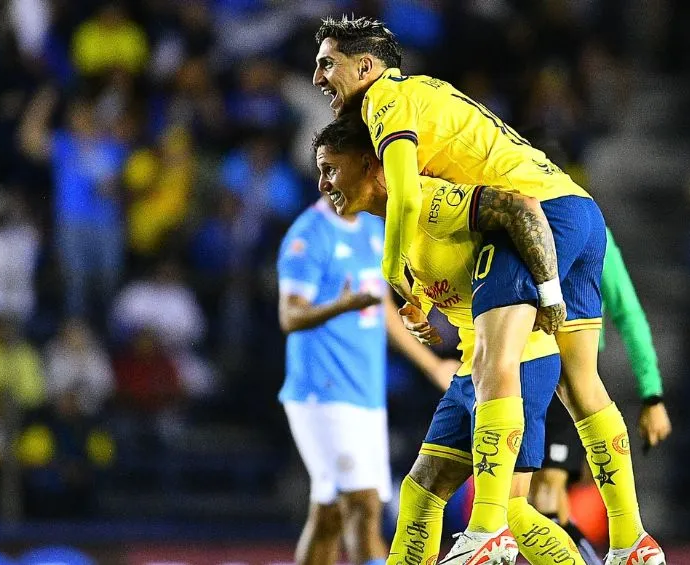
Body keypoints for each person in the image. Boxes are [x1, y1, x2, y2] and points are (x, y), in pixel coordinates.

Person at [312, 16, 663, 564]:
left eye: (327, 63)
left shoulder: (388, 104)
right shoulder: (422, 112)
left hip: (534, 212)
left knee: (497, 371)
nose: (317, 78)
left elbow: (406, 196)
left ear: (366, 66)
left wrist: (393, 269)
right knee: (579, 385)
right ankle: (631, 540)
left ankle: (487, 531)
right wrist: (422, 301)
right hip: (572, 208)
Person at [313, 116, 589, 565]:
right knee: (421, 489)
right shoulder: (396, 229)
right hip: (473, 366)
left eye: (331, 168)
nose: (324, 183)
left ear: (370, 164)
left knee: (513, 512)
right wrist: (419, 310)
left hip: (517, 363)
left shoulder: (429, 199)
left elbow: (520, 208)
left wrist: (549, 291)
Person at [277, 194, 458, 565]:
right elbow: (289, 315)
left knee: (330, 516)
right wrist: (339, 306)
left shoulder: (374, 229)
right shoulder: (309, 235)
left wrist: (432, 365)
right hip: (324, 391)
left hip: (364, 393)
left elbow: (383, 309)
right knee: (363, 506)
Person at [530, 228, 672, 565]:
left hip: (570, 381)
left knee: (548, 489)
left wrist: (652, 395)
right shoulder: (519, 219)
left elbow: (628, 312)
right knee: (535, 499)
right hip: (524, 376)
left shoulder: (590, 231)